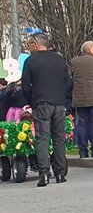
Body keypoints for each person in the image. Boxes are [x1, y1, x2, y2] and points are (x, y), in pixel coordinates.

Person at [19, 33, 71, 186]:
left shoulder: (30, 61)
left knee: (42, 138)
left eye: (29, 44)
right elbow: (67, 82)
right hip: (59, 103)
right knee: (59, 138)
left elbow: (25, 86)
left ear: (35, 44)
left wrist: (31, 102)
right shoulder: (59, 59)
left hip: (41, 103)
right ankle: (60, 173)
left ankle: (44, 173)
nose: (29, 47)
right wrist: (63, 98)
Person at [69, 41, 93, 159]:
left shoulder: (74, 61)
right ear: (90, 49)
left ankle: (82, 151)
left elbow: (72, 75)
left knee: (82, 123)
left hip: (80, 98)